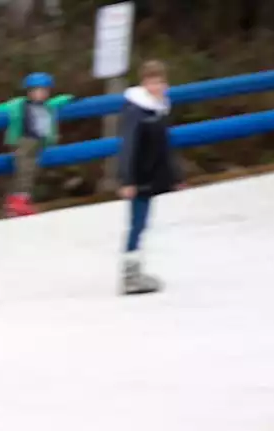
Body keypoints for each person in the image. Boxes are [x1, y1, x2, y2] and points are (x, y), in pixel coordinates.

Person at [116, 59, 185, 295]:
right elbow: (128, 146)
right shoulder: (136, 110)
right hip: (138, 175)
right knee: (137, 224)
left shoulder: (160, 108)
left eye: (160, 82)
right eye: (152, 82)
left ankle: (134, 271)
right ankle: (130, 275)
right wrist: (127, 180)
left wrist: (175, 175)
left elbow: (166, 146)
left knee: (143, 223)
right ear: (144, 83)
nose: (156, 87)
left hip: (151, 174)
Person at [0, 72, 75, 217]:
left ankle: (19, 200)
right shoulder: (18, 104)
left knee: (32, 170)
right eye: (36, 91)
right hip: (23, 141)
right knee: (25, 170)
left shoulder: (48, 106)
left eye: (44, 91)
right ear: (29, 92)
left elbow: (59, 101)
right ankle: (18, 200)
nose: (40, 94)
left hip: (39, 143)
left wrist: (69, 98)